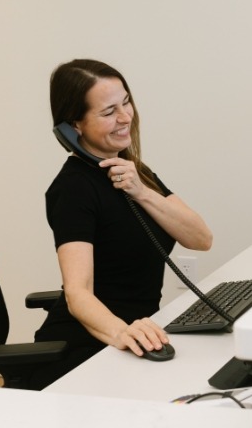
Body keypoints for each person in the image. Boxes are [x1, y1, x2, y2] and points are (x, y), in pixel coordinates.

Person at [32, 59, 212, 389]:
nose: (125, 116)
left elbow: (201, 238)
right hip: (86, 351)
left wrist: (142, 191)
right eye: (108, 111)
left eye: (126, 101)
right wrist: (124, 333)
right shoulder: (73, 190)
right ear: (75, 126)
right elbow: (77, 292)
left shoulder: (130, 170)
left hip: (138, 337)